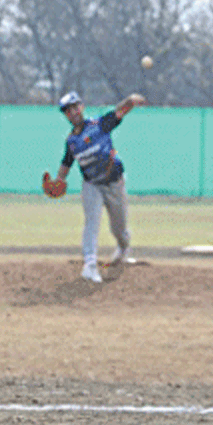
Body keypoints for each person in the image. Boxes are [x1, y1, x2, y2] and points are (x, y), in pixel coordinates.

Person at [44, 91, 146, 283]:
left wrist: (131, 100)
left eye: (75, 107)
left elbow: (118, 112)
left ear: (81, 107)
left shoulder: (99, 125)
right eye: (68, 111)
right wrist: (59, 180)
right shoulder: (72, 142)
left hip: (114, 182)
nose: (72, 113)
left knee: (120, 228)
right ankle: (90, 264)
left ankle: (123, 248)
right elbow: (67, 163)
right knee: (92, 222)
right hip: (92, 185)